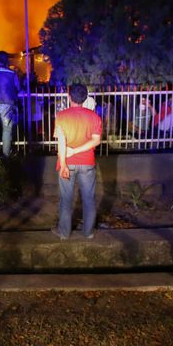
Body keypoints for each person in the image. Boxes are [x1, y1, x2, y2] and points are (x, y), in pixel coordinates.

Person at [52, 84, 103, 240]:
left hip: (67, 162)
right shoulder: (94, 117)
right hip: (87, 163)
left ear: (69, 96)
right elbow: (96, 141)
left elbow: (61, 142)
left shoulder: (61, 116)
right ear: (85, 97)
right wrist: (78, 151)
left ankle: (64, 233)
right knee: (89, 199)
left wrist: (64, 163)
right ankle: (88, 233)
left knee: (66, 199)